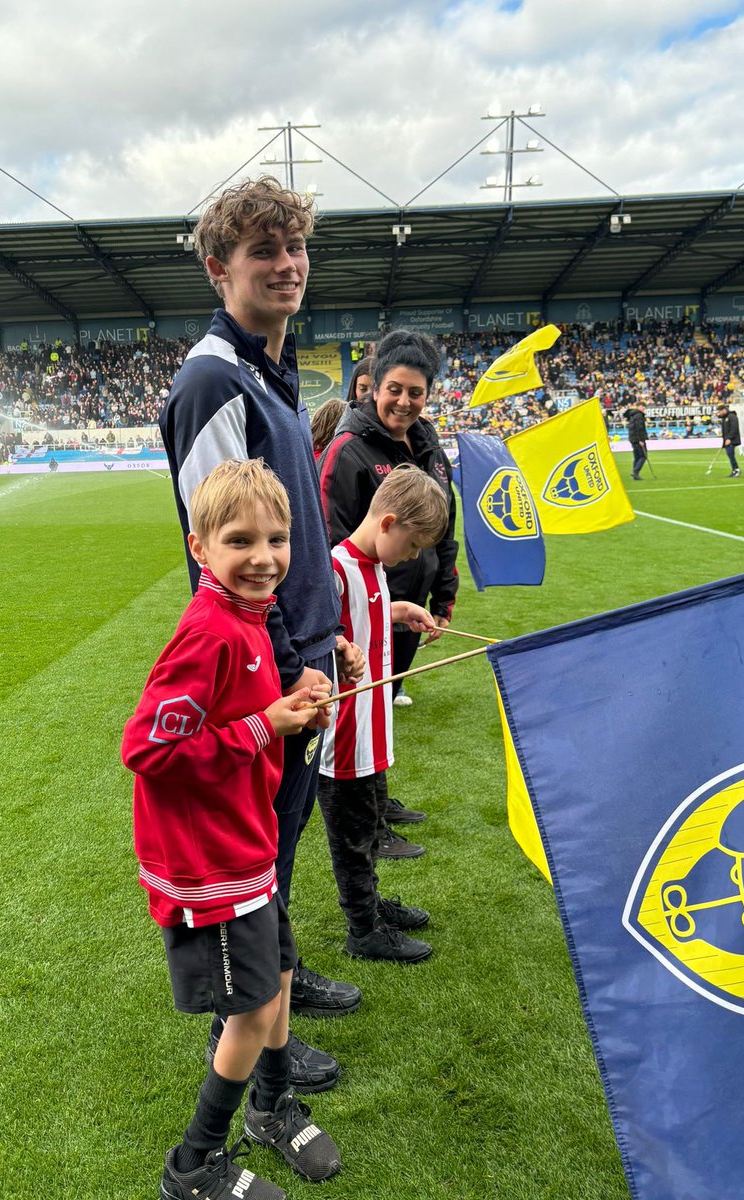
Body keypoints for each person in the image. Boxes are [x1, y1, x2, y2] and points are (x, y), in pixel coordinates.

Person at [158, 178, 364, 1071]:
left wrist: (329, 634)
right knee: (255, 850)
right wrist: (288, 667)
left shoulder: (271, 376)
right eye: (263, 252)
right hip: (263, 673)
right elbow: (228, 552)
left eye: (295, 247)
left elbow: (292, 536)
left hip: (301, 655)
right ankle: (241, 1032)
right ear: (219, 269)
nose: (287, 265)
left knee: (281, 840)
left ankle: (279, 976)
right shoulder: (213, 380)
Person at [121, 460, 341, 1200]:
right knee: (251, 1010)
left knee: (280, 976)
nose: (263, 557)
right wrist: (263, 725)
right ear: (200, 548)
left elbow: (248, 713)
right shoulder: (209, 632)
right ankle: (194, 1166)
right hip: (208, 861)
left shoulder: (249, 618)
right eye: (239, 540)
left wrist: (294, 706)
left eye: (277, 539)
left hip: (247, 842)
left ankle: (271, 1108)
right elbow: (148, 749)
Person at [317, 328, 459, 840]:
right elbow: (328, 541)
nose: (404, 401)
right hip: (359, 612)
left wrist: (443, 596)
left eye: (415, 392)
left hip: (405, 608)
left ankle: (377, 803)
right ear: (374, 387)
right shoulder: (348, 449)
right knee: (355, 712)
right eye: (394, 389)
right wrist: (344, 619)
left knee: (380, 707)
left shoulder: (431, 449)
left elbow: (446, 530)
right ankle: (365, 822)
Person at [317, 465, 449, 962]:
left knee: (371, 826)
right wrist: (336, 648)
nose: (413, 556)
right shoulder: (335, 569)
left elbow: (365, 616)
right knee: (352, 838)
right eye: (412, 546)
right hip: (344, 740)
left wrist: (401, 609)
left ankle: (370, 904)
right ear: (388, 523)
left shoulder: (373, 567)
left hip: (371, 730)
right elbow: (310, 634)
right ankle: (363, 928)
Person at [624, 401, 648, 479]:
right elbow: (639, 428)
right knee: (643, 456)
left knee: (637, 456)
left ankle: (635, 473)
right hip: (637, 438)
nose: (643, 408)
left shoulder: (632, 415)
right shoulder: (639, 416)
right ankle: (635, 472)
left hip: (632, 438)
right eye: (642, 406)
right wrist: (641, 439)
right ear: (639, 406)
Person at [719, 403, 741, 476]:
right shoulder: (724, 418)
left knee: (731, 455)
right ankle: (734, 470)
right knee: (730, 455)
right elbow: (724, 432)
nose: (719, 413)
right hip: (727, 440)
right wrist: (724, 442)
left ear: (724, 410)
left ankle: (736, 470)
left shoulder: (732, 416)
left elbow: (734, 428)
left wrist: (729, 438)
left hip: (732, 440)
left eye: (720, 411)